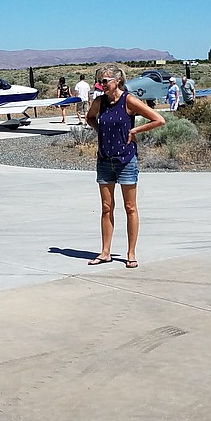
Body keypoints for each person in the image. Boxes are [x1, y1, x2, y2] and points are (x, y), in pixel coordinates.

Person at [85, 66, 165, 269]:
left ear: (117, 81)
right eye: (99, 81)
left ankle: (131, 253)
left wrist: (135, 129)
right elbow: (90, 118)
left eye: (104, 81)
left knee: (130, 207)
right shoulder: (99, 102)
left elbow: (159, 119)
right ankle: (105, 252)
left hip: (126, 160)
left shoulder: (128, 100)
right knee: (106, 207)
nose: (101, 85)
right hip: (104, 159)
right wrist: (101, 133)